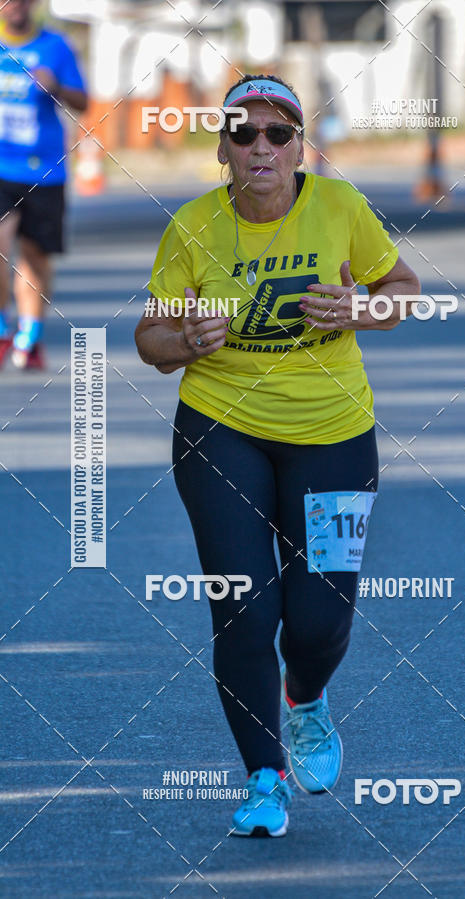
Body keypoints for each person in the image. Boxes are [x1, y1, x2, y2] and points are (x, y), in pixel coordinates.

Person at [135, 74, 420, 837]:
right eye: (243, 133)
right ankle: (265, 776)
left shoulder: (339, 207)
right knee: (243, 607)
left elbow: (405, 286)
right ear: (222, 149)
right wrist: (185, 341)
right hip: (220, 431)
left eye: (278, 132)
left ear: (300, 145)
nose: (261, 146)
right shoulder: (193, 226)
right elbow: (149, 337)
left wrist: (363, 307)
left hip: (333, 433)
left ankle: (307, 698)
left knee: (321, 619)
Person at [0, 0, 87, 370]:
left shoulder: (56, 46)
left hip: (45, 170)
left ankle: (29, 336)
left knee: (35, 257)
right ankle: (4, 330)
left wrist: (55, 87)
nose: (15, 6)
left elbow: (83, 102)